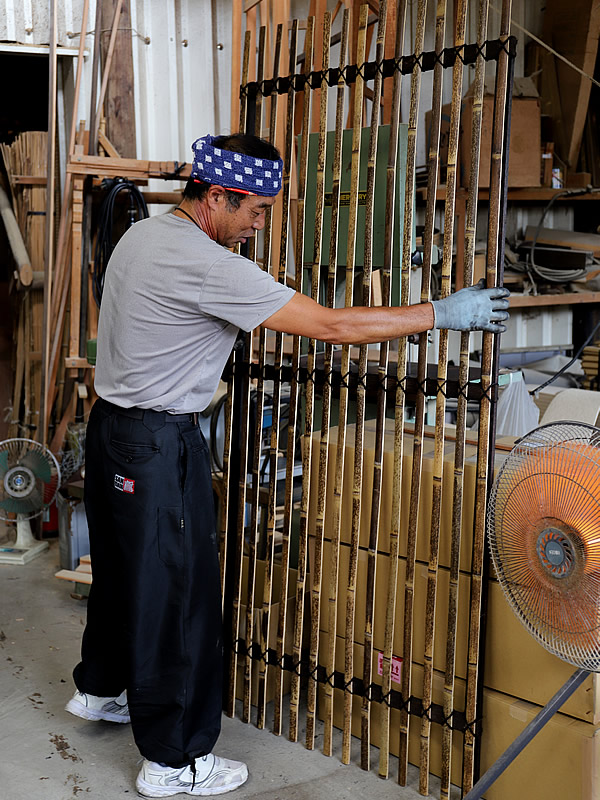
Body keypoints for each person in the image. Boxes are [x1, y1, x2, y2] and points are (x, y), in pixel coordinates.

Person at [65, 132, 509, 798]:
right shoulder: (211, 266)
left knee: (125, 574)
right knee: (176, 598)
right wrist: (440, 313)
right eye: (256, 211)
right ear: (215, 197)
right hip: (158, 444)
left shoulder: (144, 235)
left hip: (112, 430)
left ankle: (100, 691)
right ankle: (176, 760)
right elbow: (332, 327)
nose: (259, 225)